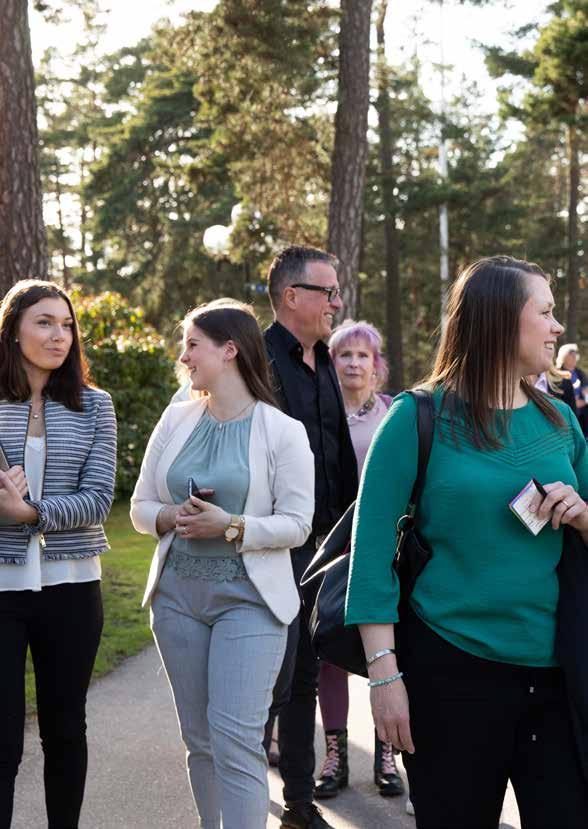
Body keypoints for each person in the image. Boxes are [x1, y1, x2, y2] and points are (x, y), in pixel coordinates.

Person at [346, 256, 588, 829]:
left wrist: (582, 516)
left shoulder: (561, 421)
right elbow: (371, 555)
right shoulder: (416, 417)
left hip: (556, 677)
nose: (558, 327)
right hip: (450, 677)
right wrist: (384, 679)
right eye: (547, 312)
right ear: (502, 321)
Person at [130, 299, 314, 829]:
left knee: (236, 740)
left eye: (192, 343)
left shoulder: (282, 431)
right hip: (176, 600)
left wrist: (231, 526)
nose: (182, 355)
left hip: (250, 602)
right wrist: (169, 515)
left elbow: (298, 523)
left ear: (229, 349)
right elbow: (141, 508)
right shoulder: (176, 417)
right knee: (200, 740)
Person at [0, 279, 117, 829]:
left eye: (66, 324)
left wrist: (32, 514)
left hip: (71, 586)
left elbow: (98, 499)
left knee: (65, 729)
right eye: (44, 322)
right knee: (1, 737)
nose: (59, 335)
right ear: (13, 330)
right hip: (0, 588)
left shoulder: (95, 406)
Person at [263, 245, 357, 829]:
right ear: (292, 296)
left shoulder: (323, 360)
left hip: (322, 547)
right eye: (328, 291)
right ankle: (243, 793)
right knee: (267, 680)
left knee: (302, 677)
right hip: (271, 546)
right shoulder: (256, 359)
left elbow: (338, 453)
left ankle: (299, 802)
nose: (338, 302)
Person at [314, 319, 404, 802]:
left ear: (376, 365)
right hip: (332, 546)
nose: (352, 363)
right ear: (331, 364)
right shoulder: (319, 417)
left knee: (383, 650)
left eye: (361, 356)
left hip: (382, 547)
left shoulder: (393, 414)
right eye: (343, 355)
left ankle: (386, 752)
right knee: (330, 648)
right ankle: (335, 754)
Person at [557, 343, 588, 435]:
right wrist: (573, 403)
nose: (574, 357)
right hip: (566, 412)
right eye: (571, 354)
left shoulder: (580, 373)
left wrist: (585, 401)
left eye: (575, 354)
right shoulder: (557, 375)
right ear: (564, 357)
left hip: (583, 410)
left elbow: (586, 391)